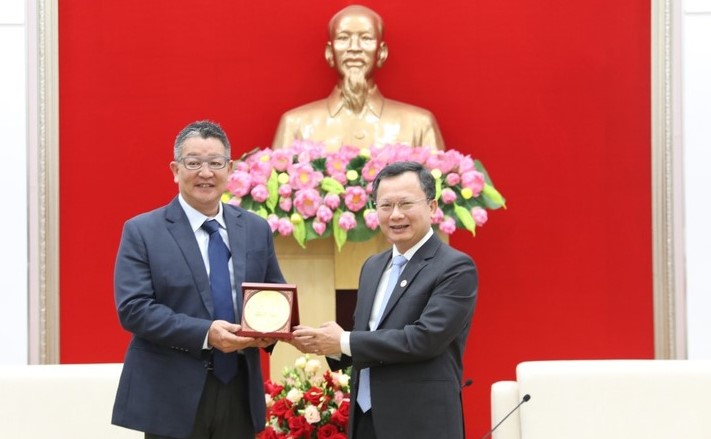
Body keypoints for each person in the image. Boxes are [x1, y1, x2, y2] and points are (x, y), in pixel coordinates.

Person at [111, 120, 285, 439]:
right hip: (171, 395)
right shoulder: (142, 231)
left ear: (230, 169)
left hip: (239, 390)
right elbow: (134, 309)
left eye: (215, 163)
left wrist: (271, 331)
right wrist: (206, 333)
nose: (205, 173)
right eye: (194, 163)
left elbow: (273, 295)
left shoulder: (256, 228)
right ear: (176, 170)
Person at [291, 161, 478, 439]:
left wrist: (343, 340)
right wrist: (325, 345)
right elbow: (369, 340)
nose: (395, 215)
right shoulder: (373, 267)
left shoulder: (455, 267)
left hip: (421, 423)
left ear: (432, 207)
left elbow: (424, 339)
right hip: (366, 419)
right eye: (385, 206)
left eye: (405, 204)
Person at [272, 5, 445, 151]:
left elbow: (436, 187)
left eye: (366, 38)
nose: (354, 48)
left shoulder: (419, 125)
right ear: (330, 53)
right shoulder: (295, 125)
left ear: (381, 53)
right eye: (344, 38)